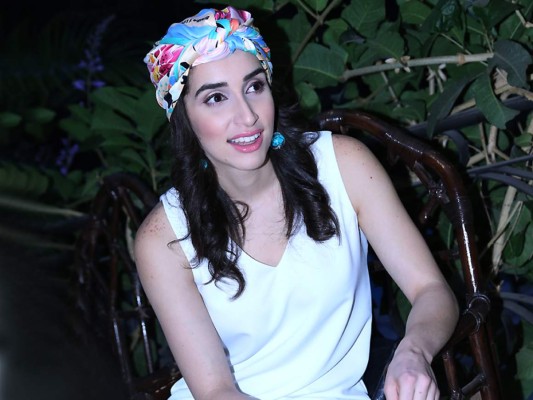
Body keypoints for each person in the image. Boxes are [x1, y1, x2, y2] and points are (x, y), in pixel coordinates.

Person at [135, 6, 459, 400]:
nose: (247, 116)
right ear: (184, 117)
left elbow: (430, 289)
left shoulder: (343, 166)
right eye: (216, 98)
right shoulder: (163, 238)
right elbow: (216, 390)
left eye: (254, 87)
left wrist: (413, 352)